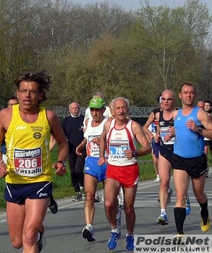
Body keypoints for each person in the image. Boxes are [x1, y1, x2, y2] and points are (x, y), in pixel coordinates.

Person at [0, 71, 68, 252]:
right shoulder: (6, 115)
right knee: (17, 242)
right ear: (17, 93)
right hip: (14, 181)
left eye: (32, 91)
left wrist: (61, 161)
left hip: (40, 181)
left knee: (28, 236)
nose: (27, 95)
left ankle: (35, 232)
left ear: (40, 95)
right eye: (23, 90)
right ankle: (39, 232)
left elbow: (63, 142)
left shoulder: (48, 117)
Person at [166, 83, 212, 238]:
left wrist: (198, 129)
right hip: (179, 159)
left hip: (197, 159)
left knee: (199, 194)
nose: (188, 95)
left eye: (191, 93)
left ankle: (204, 212)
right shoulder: (176, 114)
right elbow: (180, 129)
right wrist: (172, 134)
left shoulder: (201, 114)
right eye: (185, 92)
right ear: (180, 95)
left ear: (194, 95)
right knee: (180, 195)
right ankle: (179, 233)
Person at [99, 97, 151, 251]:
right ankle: (114, 230)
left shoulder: (133, 126)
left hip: (130, 169)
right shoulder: (108, 124)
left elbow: (147, 147)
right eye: (118, 108)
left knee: (128, 207)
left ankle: (130, 235)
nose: (121, 111)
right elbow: (102, 138)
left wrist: (135, 152)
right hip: (113, 169)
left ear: (127, 110)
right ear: (113, 111)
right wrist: (102, 155)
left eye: (123, 108)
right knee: (108, 204)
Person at [75, 97, 108, 242]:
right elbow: (87, 137)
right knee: (89, 196)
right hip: (91, 162)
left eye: (98, 110)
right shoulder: (87, 122)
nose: (95, 113)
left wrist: (103, 141)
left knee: (110, 201)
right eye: (92, 110)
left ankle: (115, 225)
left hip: (107, 162)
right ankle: (89, 226)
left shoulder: (109, 123)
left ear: (103, 110)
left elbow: (116, 140)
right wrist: (82, 145)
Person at [153, 90, 176, 225]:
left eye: (169, 99)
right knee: (164, 182)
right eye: (164, 99)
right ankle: (163, 213)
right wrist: (155, 136)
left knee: (180, 185)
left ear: (173, 101)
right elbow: (158, 130)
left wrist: (174, 133)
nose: (166, 102)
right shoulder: (158, 115)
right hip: (164, 150)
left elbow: (183, 130)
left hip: (178, 151)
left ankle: (185, 199)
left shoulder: (177, 114)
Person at [61, 102, 86, 201]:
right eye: (73, 108)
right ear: (69, 110)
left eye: (76, 108)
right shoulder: (65, 121)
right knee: (72, 172)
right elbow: (60, 134)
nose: (75, 110)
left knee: (78, 170)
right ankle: (77, 192)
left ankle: (84, 189)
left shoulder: (84, 120)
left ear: (79, 109)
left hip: (82, 149)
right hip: (70, 150)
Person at [142, 95, 162, 183]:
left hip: (169, 141)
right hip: (156, 140)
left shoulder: (174, 112)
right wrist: (150, 135)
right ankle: (158, 175)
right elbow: (145, 127)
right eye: (162, 100)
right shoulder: (155, 113)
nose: (165, 103)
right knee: (156, 160)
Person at [203, 100, 212, 173]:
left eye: (208, 105)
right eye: (205, 105)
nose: (206, 107)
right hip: (205, 134)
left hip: (211, 134)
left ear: (211, 107)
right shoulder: (201, 114)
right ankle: (205, 166)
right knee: (205, 151)